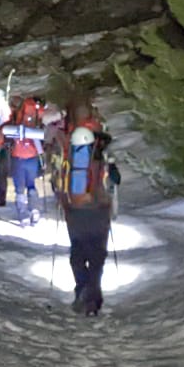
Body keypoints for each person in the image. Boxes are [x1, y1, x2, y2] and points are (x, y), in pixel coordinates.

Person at [58, 111, 122, 316]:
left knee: (78, 256)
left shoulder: (69, 161)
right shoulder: (101, 161)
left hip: (75, 215)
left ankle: (81, 291)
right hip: (98, 214)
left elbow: (58, 185)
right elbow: (115, 181)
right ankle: (92, 298)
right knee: (97, 259)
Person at [0, 95, 49, 226]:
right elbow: (40, 143)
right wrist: (42, 159)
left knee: (19, 188)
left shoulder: (11, 124)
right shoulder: (36, 121)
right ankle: (35, 211)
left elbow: (0, 142)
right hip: (32, 157)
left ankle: (23, 215)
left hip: (17, 158)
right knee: (31, 184)